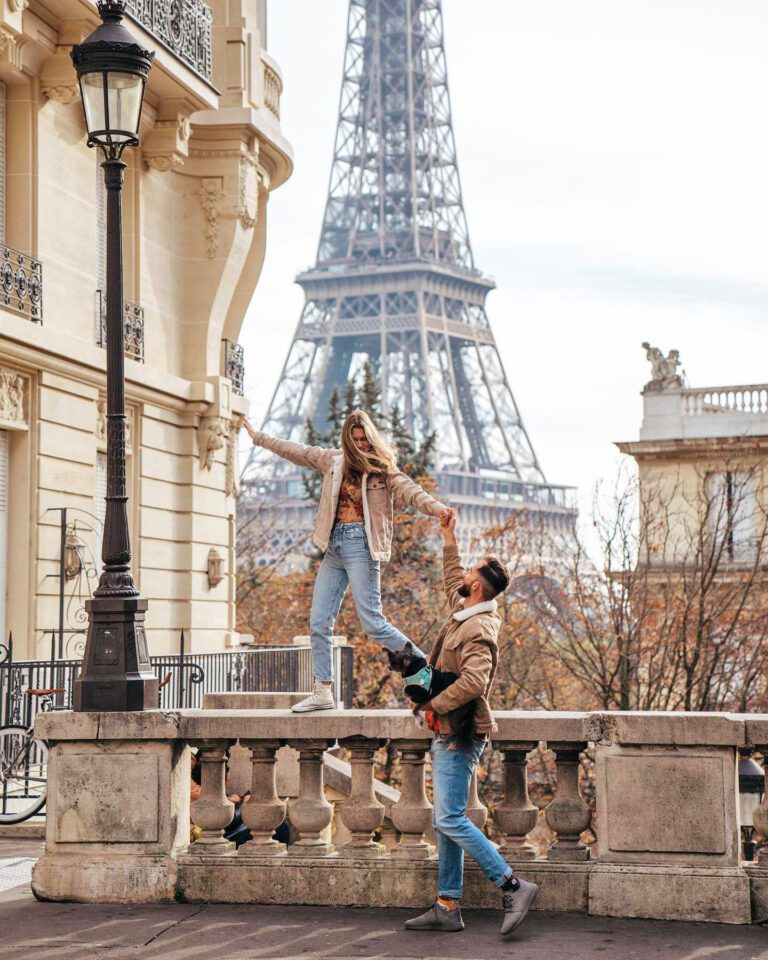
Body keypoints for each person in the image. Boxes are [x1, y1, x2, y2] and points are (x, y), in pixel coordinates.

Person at [243, 410, 452, 712]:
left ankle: (428, 671)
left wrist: (436, 508)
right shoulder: (333, 460)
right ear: (347, 440)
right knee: (318, 622)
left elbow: (410, 491)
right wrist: (259, 438)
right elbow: (298, 451)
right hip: (334, 547)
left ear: (371, 436)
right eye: (355, 439)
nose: (361, 444)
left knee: (373, 623)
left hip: (361, 547)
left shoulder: (382, 469)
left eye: (364, 438)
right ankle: (323, 690)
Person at [404, 512, 538, 938]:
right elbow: (451, 581)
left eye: (470, 570)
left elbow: (476, 681)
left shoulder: (479, 627)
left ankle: (513, 886)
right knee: (447, 819)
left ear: (477, 586)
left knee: (449, 819)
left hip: (459, 733)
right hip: (447, 730)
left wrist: (434, 707)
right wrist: (448, 537)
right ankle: (447, 905)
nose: (463, 573)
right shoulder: (465, 610)